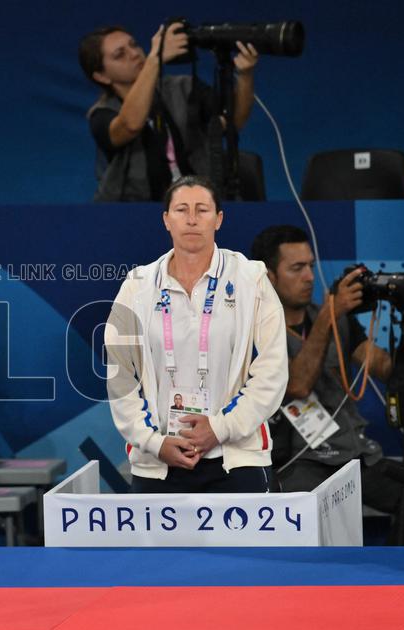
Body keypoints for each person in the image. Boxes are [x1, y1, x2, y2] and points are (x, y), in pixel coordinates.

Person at [250, 225, 404, 545]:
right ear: (269, 276)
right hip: (296, 462)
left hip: (351, 455)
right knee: (303, 519)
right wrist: (328, 316)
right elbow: (296, 386)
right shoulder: (250, 329)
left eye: (311, 266)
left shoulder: (334, 318)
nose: (309, 276)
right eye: (297, 268)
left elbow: (384, 369)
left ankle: (391, 585)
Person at [105, 175, 287, 493]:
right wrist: (154, 441)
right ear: (166, 220)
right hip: (158, 460)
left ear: (218, 219)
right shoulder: (136, 285)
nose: (191, 219)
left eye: (202, 209)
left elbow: (272, 370)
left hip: (237, 458)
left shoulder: (250, 278)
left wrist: (218, 428)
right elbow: (120, 377)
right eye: (181, 209)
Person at [78, 23, 258, 202]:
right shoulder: (101, 115)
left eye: (133, 45)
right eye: (120, 55)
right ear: (102, 76)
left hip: (199, 201)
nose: (134, 54)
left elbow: (234, 123)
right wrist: (154, 60)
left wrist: (245, 75)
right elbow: (130, 125)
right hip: (138, 210)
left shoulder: (183, 87)